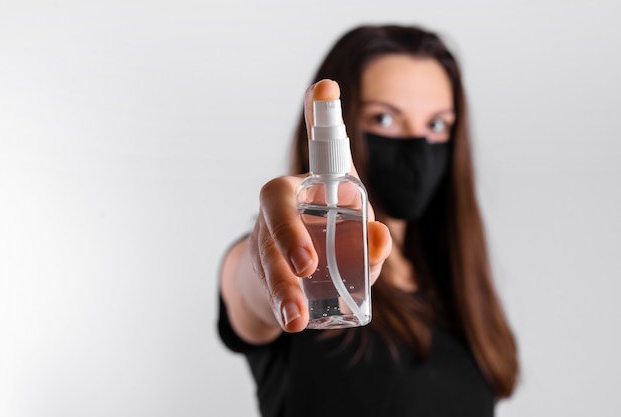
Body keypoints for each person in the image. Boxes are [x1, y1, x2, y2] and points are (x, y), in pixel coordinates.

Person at [218, 24, 519, 417]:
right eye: (385, 119)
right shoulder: (309, 271)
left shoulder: (454, 287)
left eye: (437, 124)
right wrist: (276, 258)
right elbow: (251, 288)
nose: (416, 146)